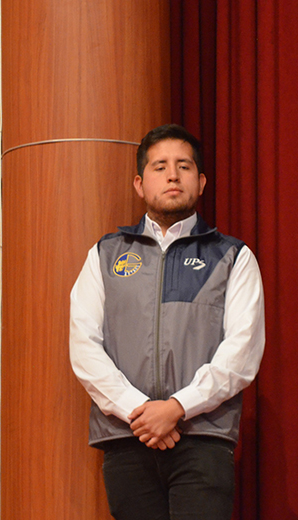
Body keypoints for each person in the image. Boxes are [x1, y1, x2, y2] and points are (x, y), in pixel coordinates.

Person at [69, 124, 265, 520]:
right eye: (160, 166)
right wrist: (141, 410)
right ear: (140, 184)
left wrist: (177, 407)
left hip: (203, 437)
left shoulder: (232, 256)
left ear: (201, 181)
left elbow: (241, 352)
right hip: (128, 436)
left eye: (184, 166)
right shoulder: (105, 254)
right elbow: (84, 346)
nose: (173, 175)